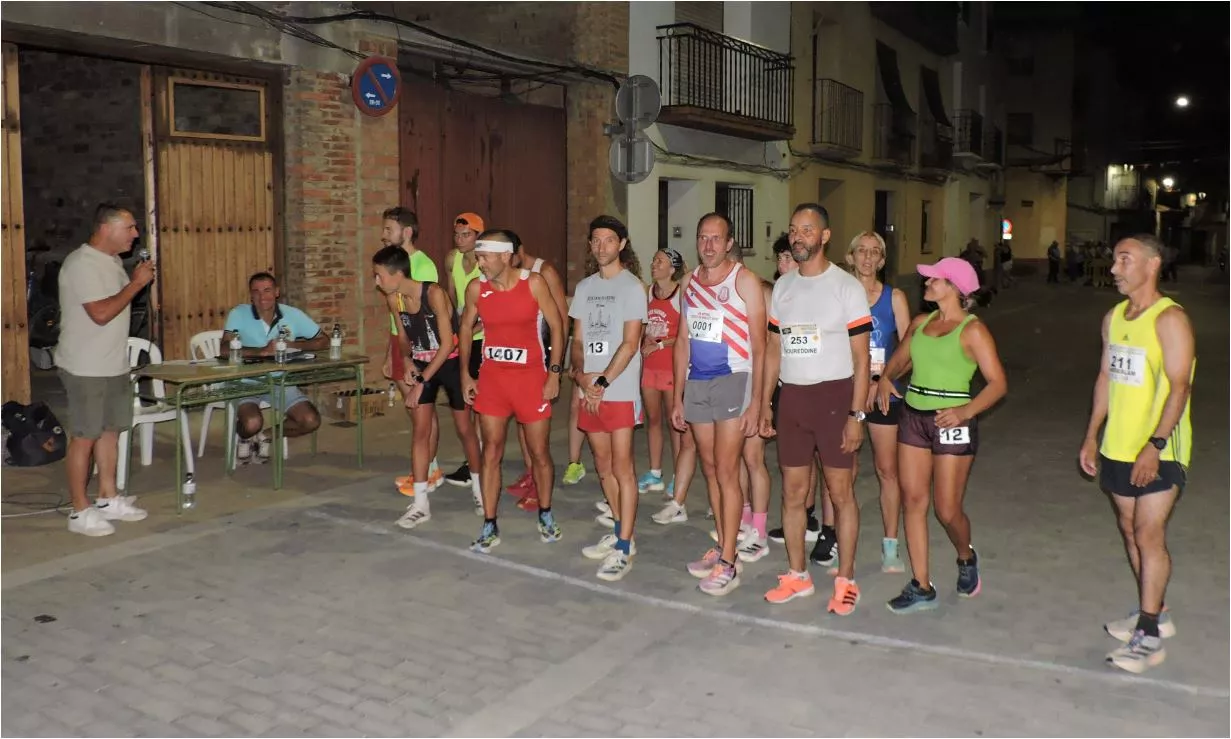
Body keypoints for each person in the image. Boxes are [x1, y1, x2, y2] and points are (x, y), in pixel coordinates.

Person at [1079, 234, 1194, 674]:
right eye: (1114, 260)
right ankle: (1156, 613)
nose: (1114, 269)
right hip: (1118, 445)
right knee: (1129, 531)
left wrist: (1157, 444)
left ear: (1153, 264)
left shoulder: (1171, 320)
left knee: (1148, 533)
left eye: (1124, 260)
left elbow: (1180, 386)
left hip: (1161, 447)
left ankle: (1147, 635)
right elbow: (1106, 377)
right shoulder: (1113, 318)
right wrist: (1092, 435)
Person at [877, 257, 1007, 614]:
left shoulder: (972, 330)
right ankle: (921, 584)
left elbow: (998, 384)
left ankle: (965, 556)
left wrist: (965, 412)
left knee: (947, 510)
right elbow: (900, 360)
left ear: (955, 288)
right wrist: (887, 377)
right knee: (913, 501)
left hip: (953, 423)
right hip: (914, 419)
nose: (927, 283)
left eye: (935, 279)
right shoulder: (921, 323)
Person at [759, 204, 870, 614]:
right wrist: (765, 404)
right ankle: (797, 574)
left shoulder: (846, 288)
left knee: (840, 493)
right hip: (793, 400)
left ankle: (845, 579)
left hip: (834, 398)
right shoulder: (784, 287)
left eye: (807, 229)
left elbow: (861, 360)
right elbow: (773, 350)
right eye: (793, 230)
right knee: (792, 493)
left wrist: (856, 415)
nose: (798, 236)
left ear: (825, 236)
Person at [672, 212, 766, 596]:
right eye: (702, 238)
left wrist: (759, 402)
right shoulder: (689, 283)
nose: (708, 245)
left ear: (729, 243)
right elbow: (681, 341)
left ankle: (729, 560)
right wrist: (678, 395)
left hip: (734, 379)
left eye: (716, 238)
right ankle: (725, 544)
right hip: (698, 382)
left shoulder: (744, 280)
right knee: (710, 469)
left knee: (727, 471)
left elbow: (761, 346)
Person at [458, 230, 565, 552]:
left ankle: (545, 513)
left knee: (539, 453)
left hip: (531, 379)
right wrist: (466, 374)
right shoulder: (477, 289)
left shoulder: (533, 283)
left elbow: (558, 326)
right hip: (493, 380)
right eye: (478, 257)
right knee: (491, 451)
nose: (479, 264)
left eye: (484, 257)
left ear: (505, 256)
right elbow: (465, 327)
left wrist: (555, 373)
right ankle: (489, 523)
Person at [58, 203, 153, 536]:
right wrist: (136, 284)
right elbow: (100, 313)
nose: (136, 234)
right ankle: (79, 510)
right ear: (105, 229)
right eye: (129, 228)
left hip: (113, 363)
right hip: (86, 365)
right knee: (85, 436)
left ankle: (108, 497)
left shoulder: (112, 261)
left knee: (111, 430)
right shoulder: (81, 264)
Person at [372, 245, 483, 526]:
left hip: (451, 363)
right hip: (423, 365)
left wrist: (421, 381)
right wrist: (407, 360)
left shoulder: (433, 293)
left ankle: (481, 488)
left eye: (379, 275)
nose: (377, 282)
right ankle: (421, 503)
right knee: (421, 431)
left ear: (398, 274)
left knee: (464, 428)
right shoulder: (394, 300)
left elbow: (446, 345)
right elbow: (403, 338)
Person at [571, 216, 647, 580]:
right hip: (590, 388)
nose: (601, 247)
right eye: (596, 240)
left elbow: (631, 343)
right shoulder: (585, 288)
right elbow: (578, 341)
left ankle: (625, 546)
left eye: (608, 240)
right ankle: (619, 530)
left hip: (618, 390)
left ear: (622, 244)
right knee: (602, 466)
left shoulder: (633, 287)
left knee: (622, 467)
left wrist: (600, 381)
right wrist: (582, 375)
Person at [847, 231, 911, 573]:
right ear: (850, 256)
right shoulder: (839, 295)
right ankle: (842, 544)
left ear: (882, 260)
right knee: (844, 472)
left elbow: (908, 351)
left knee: (888, 471)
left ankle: (890, 546)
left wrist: (881, 380)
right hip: (847, 393)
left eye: (875, 253)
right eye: (862, 251)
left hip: (884, 395)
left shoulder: (894, 297)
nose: (868, 258)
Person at [221, 272, 326, 461]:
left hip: (281, 380)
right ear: (250, 295)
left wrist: (293, 344)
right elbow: (224, 349)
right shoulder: (239, 313)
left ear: (277, 292)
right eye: (256, 292)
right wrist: (261, 351)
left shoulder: (292, 314)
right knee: (252, 423)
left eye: (267, 290)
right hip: (246, 381)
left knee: (311, 421)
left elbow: (323, 341)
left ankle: (266, 436)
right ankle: (243, 436)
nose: (262, 297)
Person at [380, 206, 447, 494]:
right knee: (416, 413)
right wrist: (390, 352)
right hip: (401, 344)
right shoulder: (392, 264)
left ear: (406, 232)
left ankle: (429, 471)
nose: (383, 235)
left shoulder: (423, 265)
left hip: (419, 348)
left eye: (388, 230)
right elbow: (396, 319)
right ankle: (426, 468)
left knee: (423, 412)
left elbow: (421, 317)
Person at [502, 238, 571, 511]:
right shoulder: (512, 276)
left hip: (543, 353)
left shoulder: (545, 272)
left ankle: (539, 483)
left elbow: (562, 320)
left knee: (535, 423)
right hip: (521, 354)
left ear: (519, 252)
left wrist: (558, 364)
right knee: (521, 420)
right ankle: (531, 474)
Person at [767, 235, 826, 547]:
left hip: (814, 385)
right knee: (792, 457)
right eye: (779, 259)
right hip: (784, 383)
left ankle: (810, 515)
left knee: (812, 453)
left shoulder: (815, 292)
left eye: (787, 258)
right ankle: (798, 513)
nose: (783, 265)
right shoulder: (781, 293)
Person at [646, 248, 699, 526]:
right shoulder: (647, 292)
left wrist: (661, 343)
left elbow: (683, 334)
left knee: (674, 423)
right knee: (653, 420)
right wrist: (645, 343)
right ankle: (655, 472)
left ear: (673, 268)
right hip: (650, 366)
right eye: (654, 260)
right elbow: (646, 327)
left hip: (670, 366)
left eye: (660, 262)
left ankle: (679, 476)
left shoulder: (681, 293)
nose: (654, 265)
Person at [446, 212, 486, 484]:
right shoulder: (452, 259)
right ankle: (474, 460)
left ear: (478, 237)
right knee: (465, 400)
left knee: (481, 401)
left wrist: (469, 331)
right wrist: (452, 331)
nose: (460, 239)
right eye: (457, 234)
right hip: (463, 335)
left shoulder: (485, 264)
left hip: (484, 337)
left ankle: (479, 461)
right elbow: (451, 299)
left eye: (466, 235)